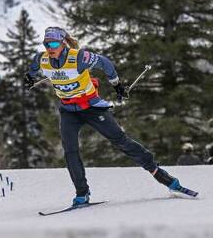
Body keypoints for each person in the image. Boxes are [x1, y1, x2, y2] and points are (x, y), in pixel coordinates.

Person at [24, 27, 196, 206]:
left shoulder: (78, 58)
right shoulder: (42, 59)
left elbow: (105, 63)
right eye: (46, 44)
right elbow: (33, 68)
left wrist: (117, 85)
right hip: (68, 111)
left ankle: (166, 179)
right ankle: (82, 193)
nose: (49, 47)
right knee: (70, 151)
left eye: (53, 43)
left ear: (62, 43)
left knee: (121, 141)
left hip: (91, 107)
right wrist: (29, 77)